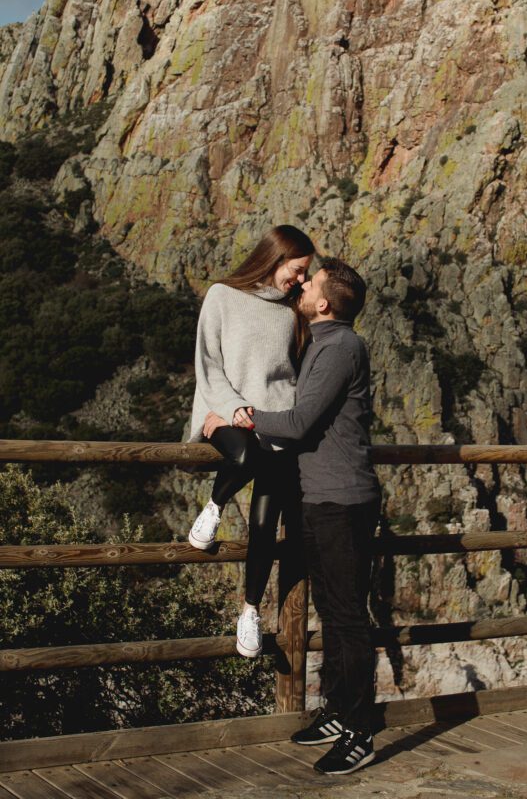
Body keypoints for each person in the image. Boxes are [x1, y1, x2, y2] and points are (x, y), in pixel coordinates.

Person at [239, 258, 380, 776]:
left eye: (310, 282)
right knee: (332, 613)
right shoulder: (323, 342)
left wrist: (244, 417)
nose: (301, 284)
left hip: (342, 503)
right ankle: (338, 713)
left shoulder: (342, 347)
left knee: (347, 618)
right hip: (321, 498)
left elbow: (299, 423)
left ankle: (360, 732)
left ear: (324, 303)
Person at [186, 224, 315, 659]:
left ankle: (250, 610)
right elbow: (208, 362)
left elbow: (295, 374)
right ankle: (214, 507)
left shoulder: (292, 311)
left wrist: (289, 420)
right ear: (275, 258)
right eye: (296, 270)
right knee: (242, 455)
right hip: (226, 412)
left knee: (264, 525)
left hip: (276, 423)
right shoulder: (223, 295)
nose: (299, 280)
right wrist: (231, 407)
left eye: (304, 274)